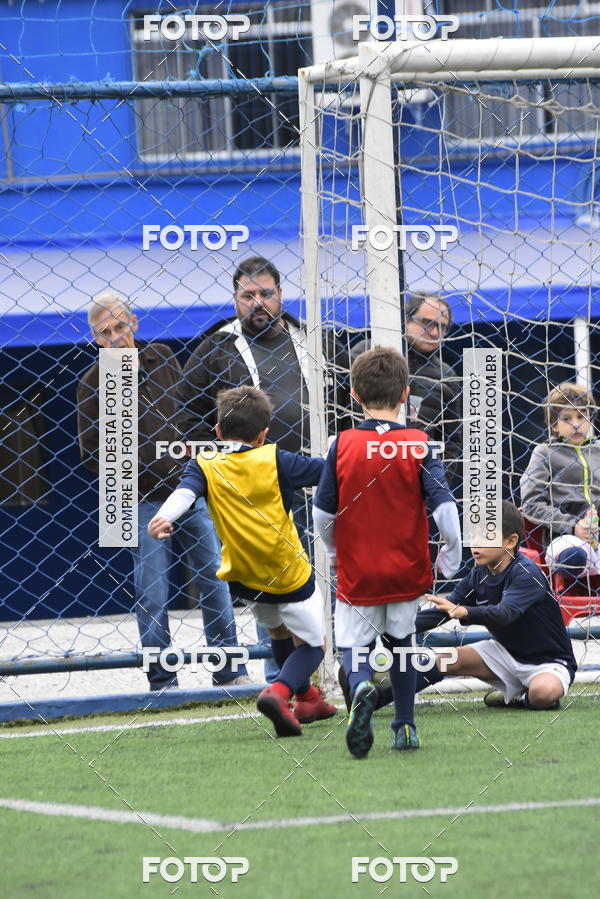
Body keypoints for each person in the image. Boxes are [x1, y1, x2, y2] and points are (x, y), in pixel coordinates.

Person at [177, 256, 352, 679]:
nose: (258, 302)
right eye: (248, 295)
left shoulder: (315, 339)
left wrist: (342, 438)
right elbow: (184, 415)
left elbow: (349, 397)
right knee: (272, 592)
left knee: (330, 579)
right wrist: (227, 463)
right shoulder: (215, 346)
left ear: (281, 294)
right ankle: (282, 680)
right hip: (254, 492)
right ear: (235, 299)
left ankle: (338, 668)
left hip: (318, 480)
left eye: (266, 294)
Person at [77, 290, 250, 691]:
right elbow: (89, 451)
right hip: (134, 499)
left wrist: (191, 462)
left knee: (214, 576)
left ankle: (229, 668)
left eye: (121, 326)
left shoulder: (163, 357)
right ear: (95, 338)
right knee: (152, 588)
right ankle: (161, 676)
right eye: (106, 332)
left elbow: (187, 413)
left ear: (134, 323)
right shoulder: (91, 383)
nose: (116, 337)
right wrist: (136, 470)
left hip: (188, 487)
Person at [147, 385, 337, 737]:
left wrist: (163, 517)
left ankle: (307, 698)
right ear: (264, 433)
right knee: (313, 646)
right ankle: (278, 693)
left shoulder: (205, 463)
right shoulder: (277, 459)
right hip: (288, 573)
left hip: (245, 577)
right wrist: (335, 451)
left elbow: (185, 493)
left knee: (277, 631)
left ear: (217, 433)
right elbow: (327, 471)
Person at [313, 347, 461, 758]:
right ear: (406, 394)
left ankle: (360, 685)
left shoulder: (342, 444)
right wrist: (451, 551)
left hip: (360, 570)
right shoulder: (418, 443)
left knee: (354, 648)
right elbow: (445, 506)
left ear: (355, 394)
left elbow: (323, 512)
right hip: (406, 570)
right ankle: (406, 726)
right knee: (402, 644)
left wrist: (334, 551)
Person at [397, 502, 577, 711]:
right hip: (505, 654)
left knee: (542, 693)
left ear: (510, 541)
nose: (476, 544)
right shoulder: (478, 575)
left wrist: (465, 612)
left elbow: (505, 614)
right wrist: (392, 627)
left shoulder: (526, 573)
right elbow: (444, 611)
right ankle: (375, 700)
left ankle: (517, 698)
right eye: (474, 536)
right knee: (445, 660)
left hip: (548, 662)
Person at [351, 292, 462, 481]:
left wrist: (437, 484)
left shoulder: (446, 376)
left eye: (443, 327)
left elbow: (451, 441)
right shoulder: (366, 354)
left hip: (416, 478)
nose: (435, 332)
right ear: (406, 319)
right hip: (361, 467)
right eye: (427, 323)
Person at [520, 382, 600, 587]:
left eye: (581, 417)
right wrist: (573, 526)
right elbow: (531, 504)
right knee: (573, 557)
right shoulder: (545, 452)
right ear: (554, 425)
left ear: (590, 420)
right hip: (564, 537)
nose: (575, 424)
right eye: (566, 418)